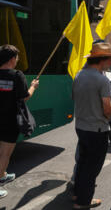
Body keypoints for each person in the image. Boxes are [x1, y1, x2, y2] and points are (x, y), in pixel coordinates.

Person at [71, 42, 111, 209]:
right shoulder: (102, 80)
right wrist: (110, 112)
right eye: (110, 60)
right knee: (92, 168)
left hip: (81, 126)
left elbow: (75, 97)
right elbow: (107, 109)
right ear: (102, 60)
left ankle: (78, 194)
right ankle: (83, 201)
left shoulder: (79, 75)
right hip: (97, 129)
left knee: (83, 163)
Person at [0, 45, 39, 199]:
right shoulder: (17, 75)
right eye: (16, 58)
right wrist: (33, 87)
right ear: (11, 59)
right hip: (10, 120)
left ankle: (3, 174)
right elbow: (24, 97)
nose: (17, 61)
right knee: (5, 153)